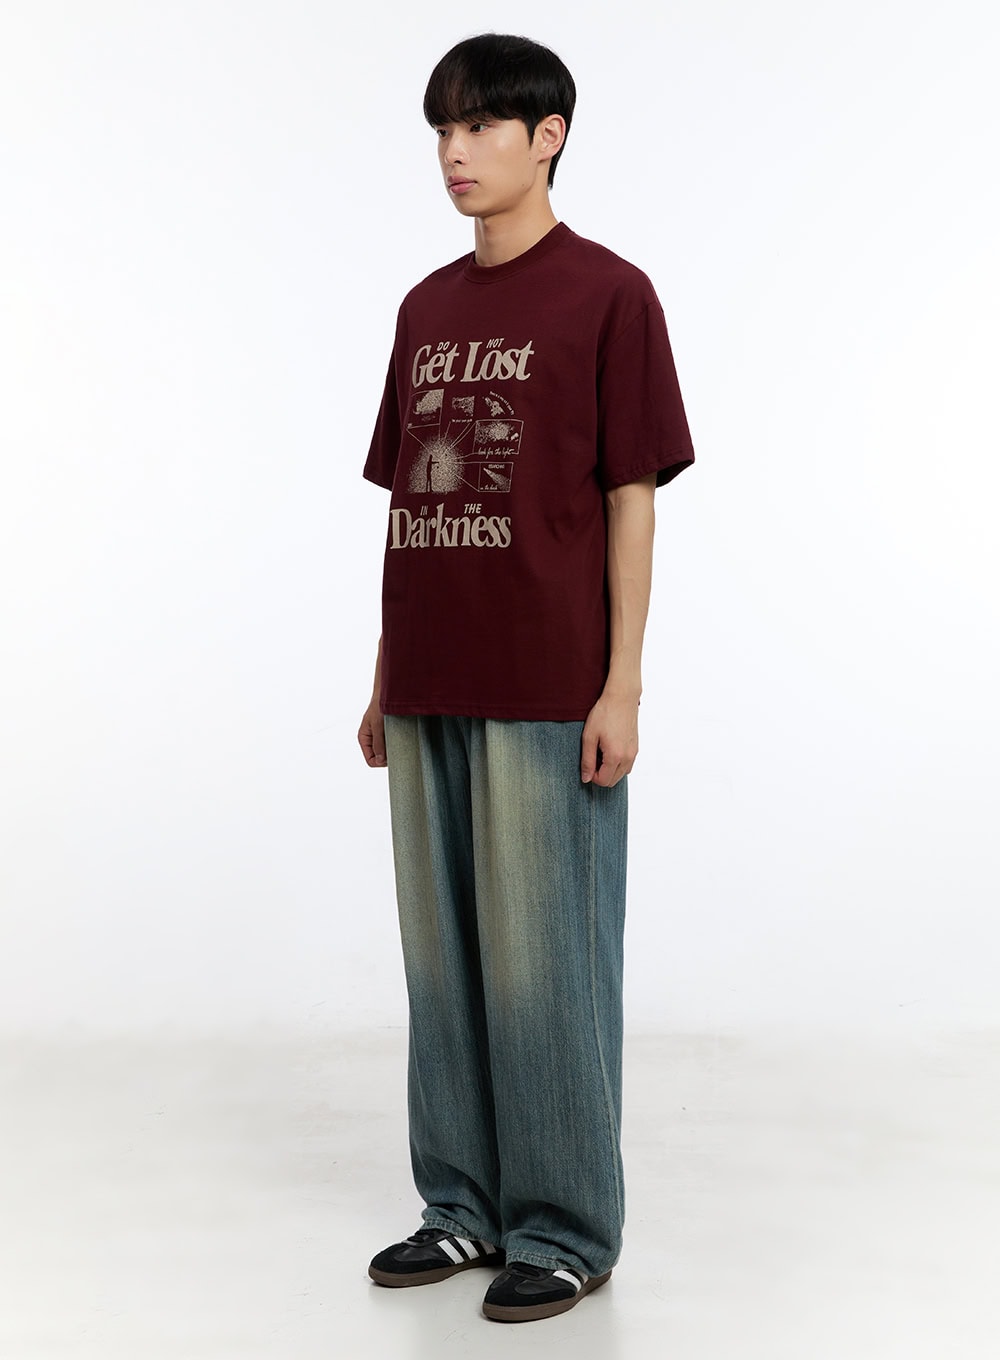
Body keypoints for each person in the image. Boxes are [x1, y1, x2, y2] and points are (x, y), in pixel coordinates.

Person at [357, 32, 694, 1324]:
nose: (455, 152)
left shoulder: (610, 296)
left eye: (482, 126)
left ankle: (565, 1227)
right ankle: (461, 1204)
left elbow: (630, 498)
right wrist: (384, 674)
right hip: (430, 674)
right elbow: (408, 504)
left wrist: (624, 685)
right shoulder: (424, 309)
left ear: (548, 136)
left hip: (551, 682)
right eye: (443, 129)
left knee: (547, 965)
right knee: (442, 960)